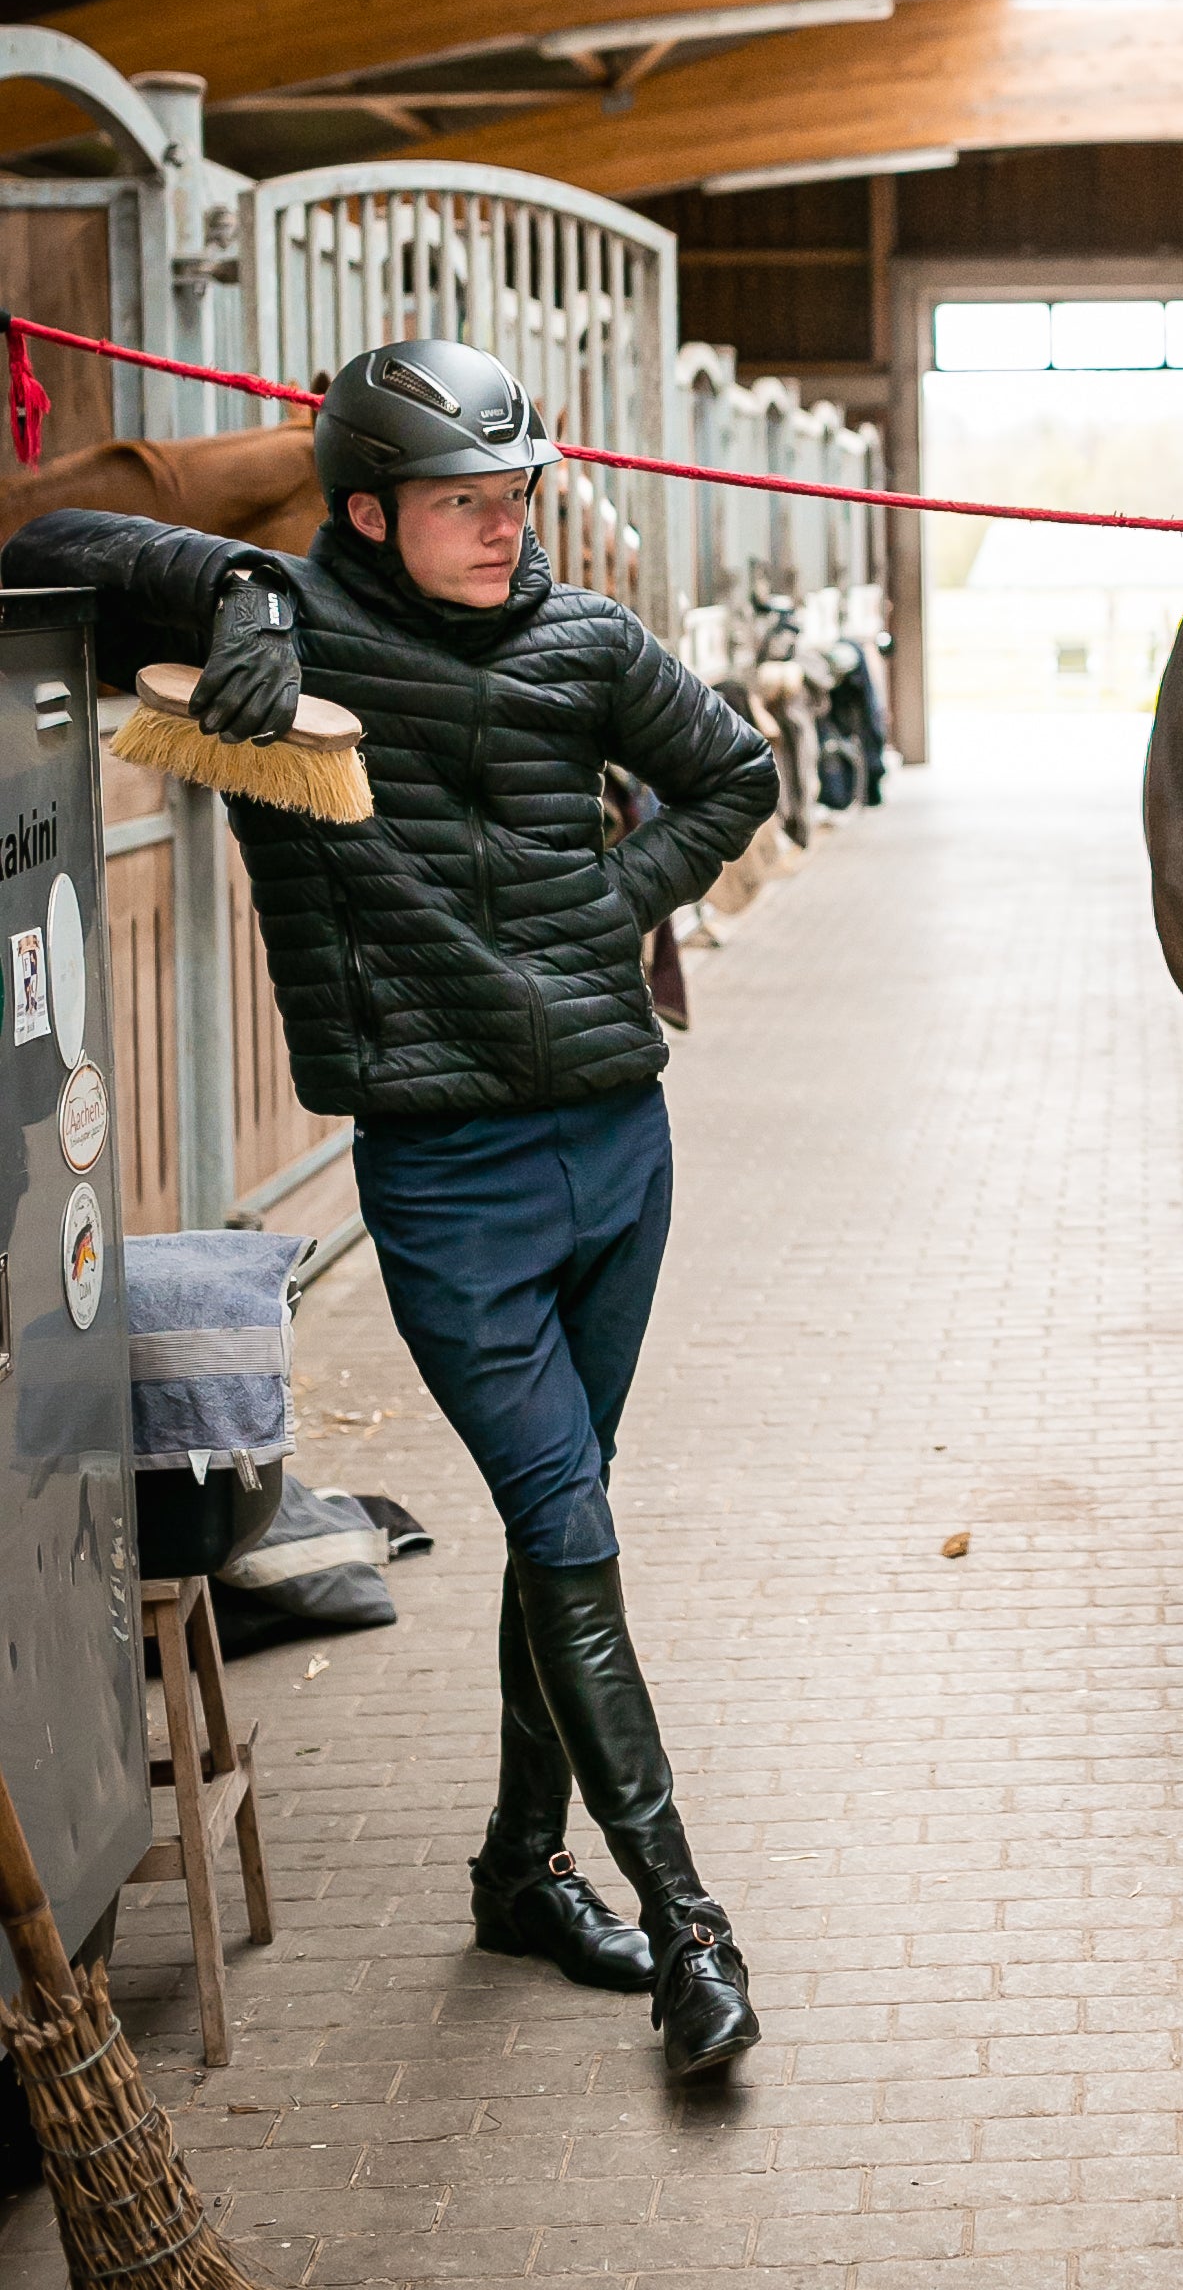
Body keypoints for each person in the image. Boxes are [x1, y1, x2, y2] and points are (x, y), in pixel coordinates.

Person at [4, 339, 780, 2081]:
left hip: (617, 1152)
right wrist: (227, 584)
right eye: (465, 504)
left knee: (556, 1508)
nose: (509, 528)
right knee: (565, 1518)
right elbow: (39, 545)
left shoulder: (584, 638)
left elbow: (736, 775)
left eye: (521, 495)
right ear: (365, 508)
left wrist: (610, 901)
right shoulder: (291, 636)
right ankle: (690, 1929)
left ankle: (519, 1872)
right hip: (449, 1181)